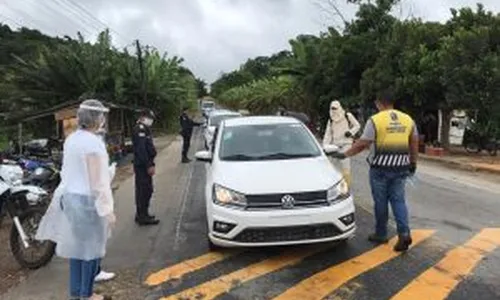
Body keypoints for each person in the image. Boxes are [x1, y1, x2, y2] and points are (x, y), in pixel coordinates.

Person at [36, 99, 114, 300]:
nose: (103, 119)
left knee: (78, 249)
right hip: (87, 202)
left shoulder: (72, 139)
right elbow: (97, 182)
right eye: (101, 116)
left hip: (70, 198)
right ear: (95, 119)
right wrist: (107, 209)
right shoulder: (93, 143)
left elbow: (70, 172)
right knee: (91, 250)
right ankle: (86, 295)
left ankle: (76, 293)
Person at [330, 90, 418, 252]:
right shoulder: (407, 119)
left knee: (381, 202)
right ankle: (404, 233)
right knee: (399, 201)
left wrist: (344, 154)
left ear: (379, 103)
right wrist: (413, 162)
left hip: (380, 169)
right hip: (400, 168)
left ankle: (381, 233)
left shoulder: (375, 120)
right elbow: (414, 141)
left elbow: (363, 143)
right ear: (393, 103)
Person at [322, 100, 361, 187]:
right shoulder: (331, 120)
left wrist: (350, 132)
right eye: (332, 108)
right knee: (333, 165)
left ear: (339, 107)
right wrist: (325, 146)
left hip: (346, 144)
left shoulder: (347, 116)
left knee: (345, 165)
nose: (333, 110)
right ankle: (334, 185)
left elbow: (357, 125)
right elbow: (328, 134)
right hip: (335, 145)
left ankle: (346, 186)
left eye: (335, 108)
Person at [132, 110, 159, 226]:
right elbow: (141, 150)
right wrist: (149, 165)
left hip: (145, 164)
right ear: (143, 117)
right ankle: (142, 217)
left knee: (146, 190)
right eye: (149, 118)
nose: (151, 120)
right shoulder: (140, 129)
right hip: (142, 166)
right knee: (144, 190)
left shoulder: (144, 128)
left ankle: (143, 214)